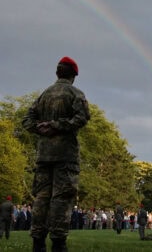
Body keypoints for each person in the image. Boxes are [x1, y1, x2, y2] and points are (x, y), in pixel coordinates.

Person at [22, 56, 90, 252]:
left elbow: (27, 120)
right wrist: (57, 126)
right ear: (74, 76)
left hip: (43, 156)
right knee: (61, 198)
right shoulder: (75, 93)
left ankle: (38, 241)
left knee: (41, 198)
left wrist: (40, 128)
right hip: (65, 156)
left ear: (57, 72)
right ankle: (58, 243)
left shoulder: (44, 95)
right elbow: (82, 117)